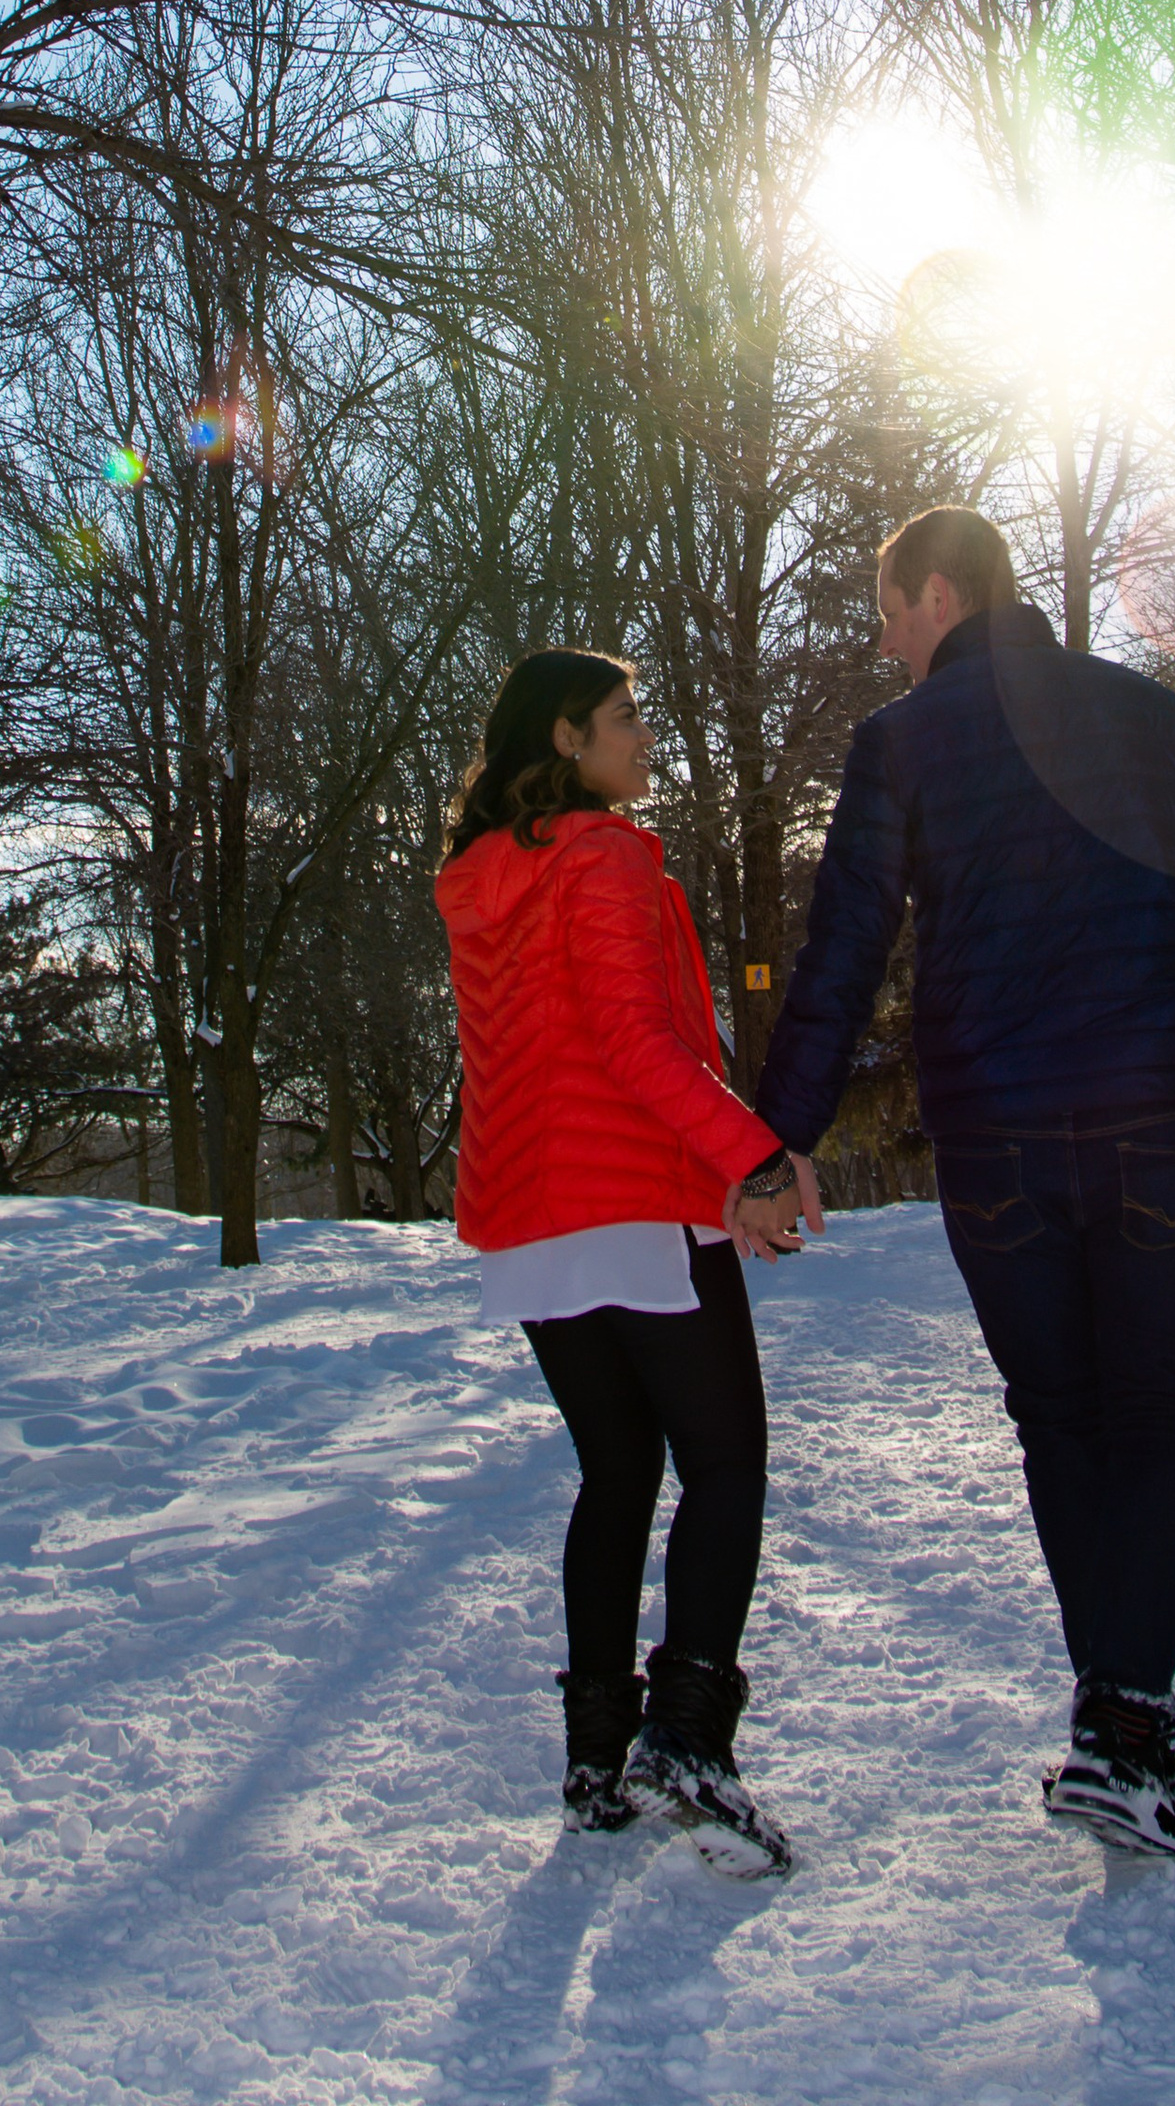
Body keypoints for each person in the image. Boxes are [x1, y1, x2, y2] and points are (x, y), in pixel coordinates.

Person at [752, 509, 1175, 1860]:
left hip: (1000, 1139)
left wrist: (779, 1139)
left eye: (890, 608)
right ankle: (1130, 1719)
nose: (883, 637)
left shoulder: (900, 744)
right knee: (1157, 1416)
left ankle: (1121, 1721)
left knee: (1064, 1420)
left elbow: (841, 953)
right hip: (1159, 1123)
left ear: (940, 594)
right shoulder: (1144, 710)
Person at [436, 648, 808, 1876]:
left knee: (617, 1468)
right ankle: (688, 1739)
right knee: (726, 1460)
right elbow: (635, 1041)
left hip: (531, 1214)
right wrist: (751, 1160)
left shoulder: (479, 878)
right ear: (566, 736)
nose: (645, 736)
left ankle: (597, 1756)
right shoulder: (600, 854)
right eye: (625, 717)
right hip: (632, 1205)